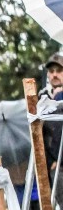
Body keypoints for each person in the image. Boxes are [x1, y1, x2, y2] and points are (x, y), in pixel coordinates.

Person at [40, 52, 63, 183]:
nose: (54, 74)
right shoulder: (42, 98)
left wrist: (60, 98)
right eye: (51, 71)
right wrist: (50, 161)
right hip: (54, 165)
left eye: (59, 71)